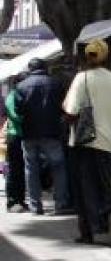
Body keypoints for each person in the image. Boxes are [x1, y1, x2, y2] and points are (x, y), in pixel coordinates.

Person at [63, 39, 111, 245]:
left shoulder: (80, 78)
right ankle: (110, 217)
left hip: (83, 141)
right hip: (109, 142)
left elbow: (70, 111)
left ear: (87, 56)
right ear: (105, 56)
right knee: (107, 185)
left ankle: (89, 230)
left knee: (84, 188)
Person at [14, 58, 73, 215]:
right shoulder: (56, 84)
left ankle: (35, 206)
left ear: (30, 68)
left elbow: (19, 111)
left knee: (31, 169)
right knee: (58, 168)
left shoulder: (21, 86)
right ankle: (60, 204)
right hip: (52, 133)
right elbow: (65, 107)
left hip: (29, 133)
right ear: (45, 68)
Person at [4, 74, 27, 212]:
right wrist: (27, 119)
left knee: (20, 170)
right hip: (14, 136)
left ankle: (20, 200)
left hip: (20, 135)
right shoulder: (12, 96)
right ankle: (12, 201)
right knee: (13, 170)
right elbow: (14, 114)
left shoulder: (18, 94)